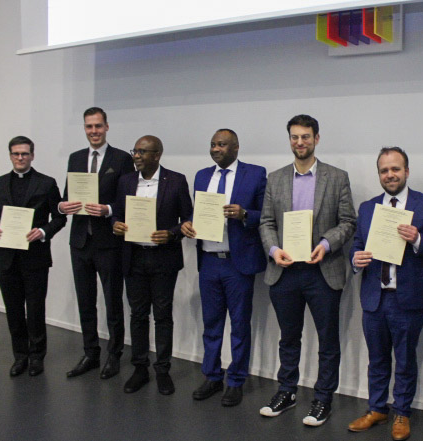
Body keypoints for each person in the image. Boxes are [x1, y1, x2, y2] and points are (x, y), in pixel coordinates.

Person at [258, 114, 356, 426]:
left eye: (305, 136)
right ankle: (286, 392)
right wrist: (274, 250)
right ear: (290, 140)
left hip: (322, 270)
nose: (300, 142)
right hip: (284, 271)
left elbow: (348, 222)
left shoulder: (336, 177)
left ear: (316, 139)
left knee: (327, 341)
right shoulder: (275, 178)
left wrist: (326, 244)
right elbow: (266, 222)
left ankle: (323, 399)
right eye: (295, 137)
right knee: (288, 338)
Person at [348, 147, 423, 441]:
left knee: (405, 359)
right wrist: (355, 259)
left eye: (395, 169)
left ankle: (402, 412)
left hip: (408, 298)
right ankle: (377, 409)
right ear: (379, 174)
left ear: (406, 171)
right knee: (376, 359)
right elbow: (357, 244)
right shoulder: (367, 207)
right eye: (384, 170)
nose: (390, 175)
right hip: (375, 297)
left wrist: (418, 239)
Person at [181, 129, 267, 406]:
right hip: (208, 260)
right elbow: (197, 212)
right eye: (213, 144)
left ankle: (236, 381)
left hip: (237, 263)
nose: (216, 149)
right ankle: (212, 376)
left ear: (236, 147)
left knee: (239, 325)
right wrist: (187, 223)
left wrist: (244, 214)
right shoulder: (202, 176)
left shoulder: (254, 174)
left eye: (222, 144)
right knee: (212, 324)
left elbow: (267, 215)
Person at [112, 135, 192, 395]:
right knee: (137, 315)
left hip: (163, 258)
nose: (136, 156)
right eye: (135, 151)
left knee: (162, 315)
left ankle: (162, 370)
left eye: (142, 152)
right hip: (133, 256)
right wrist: (115, 224)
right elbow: (117, 212)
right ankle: (140, 369)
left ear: (157, 155)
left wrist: (171, 233)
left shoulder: (176, 180)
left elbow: (188, 218)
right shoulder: (126, 180)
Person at [60, 107, 134, 379]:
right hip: (80, 241)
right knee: (85, 301)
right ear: (84, 128)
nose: (94, 131)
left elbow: (128, 199)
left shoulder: (122, 159)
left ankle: (114, 355)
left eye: (98, 126)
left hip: (108, 242)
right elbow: (67, 194)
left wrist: (108, 210)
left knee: (113, 301)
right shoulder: (76, 158)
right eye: (89, 126)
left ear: (107, 127)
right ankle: (90, 353)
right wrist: (61, 206)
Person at [0, 136, 67, 377]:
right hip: (6, 258)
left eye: (24, 153)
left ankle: (37, 356)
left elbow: (60, 217)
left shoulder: (47, 183)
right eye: (16, 154)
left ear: (32, 155)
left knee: (36, 308)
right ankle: (20, 356)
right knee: (13, 310)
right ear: (10, 155)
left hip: (35, 257)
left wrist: (43, 232)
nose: (20, 157)